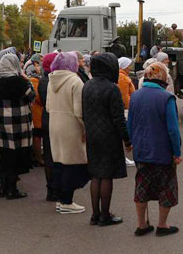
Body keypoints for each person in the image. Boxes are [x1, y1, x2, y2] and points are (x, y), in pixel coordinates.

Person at [128, 62, 182, 237]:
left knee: (142, 188)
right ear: (163, 77)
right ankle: (162, 225)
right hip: (162, 152)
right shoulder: (166, 98)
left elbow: (130, 123)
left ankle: (142, 225)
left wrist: (130, 142)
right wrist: (177, 152)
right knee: (166, 188)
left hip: (141, 152)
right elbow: (173, 130)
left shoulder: (135, 96)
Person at [82, 53, 131, 226]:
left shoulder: (87, 86)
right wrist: (127, 139)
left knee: (95, 175)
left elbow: (84, 113)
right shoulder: (112, 88)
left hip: (92, 135)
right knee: (107, 176)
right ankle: (105, 215)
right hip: (108, 137)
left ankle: (95, 215)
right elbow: (118, 118)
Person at [47, 52, 89, 214]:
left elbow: (49, 106)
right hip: (71, 126)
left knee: (59, 162)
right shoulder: (75, 81)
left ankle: (59, 199)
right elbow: (79, 110)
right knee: (72, 164)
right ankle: (67, 201)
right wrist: (85, 128)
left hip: (55, 124)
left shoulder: (52, 80)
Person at [0, 52, 35, 199]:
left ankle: (3, 187)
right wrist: (26, 79)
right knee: (16, 156)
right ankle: (12, 189)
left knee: (4, 155)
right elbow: (31, 96)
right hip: (18, 123)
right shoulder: (19, 81)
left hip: (2, 124)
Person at [38, 52, 57, 201]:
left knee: (51, 155)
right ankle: (52, 188)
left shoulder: (45, 79)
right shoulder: (48, 81)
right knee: (52, 156)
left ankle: (52, 188)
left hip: (47, 118)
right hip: (52, 119)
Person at [117, 57, 136, 168]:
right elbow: (124, 96)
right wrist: (131, 107)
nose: (130, 67)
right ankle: (123, 157)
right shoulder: (122, 77)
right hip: (126, 110)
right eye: (129, 65)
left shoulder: (123, 76)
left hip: (127, 109)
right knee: (125, 132)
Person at [26, 54, 44, 167]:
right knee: (37, 136)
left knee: (36, 136)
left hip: (36, 112)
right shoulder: (34, 80)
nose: (39, 68)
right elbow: (38, 97)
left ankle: (35, 156)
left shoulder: (32, 79)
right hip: (36, 112)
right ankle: (37, 157)